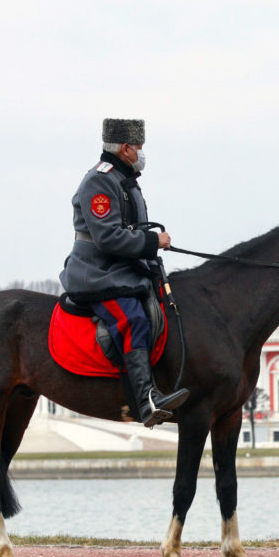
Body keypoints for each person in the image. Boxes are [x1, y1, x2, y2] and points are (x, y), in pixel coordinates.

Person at [59, 118, 189, 427]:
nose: (143, 154)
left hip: (123, 269)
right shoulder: (99, 181)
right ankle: (146, 399)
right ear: (126, 148)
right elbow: (108, 237)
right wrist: (152, 241)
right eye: (140, 148)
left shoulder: (124, 178)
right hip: (98, 273)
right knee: (131, 317)